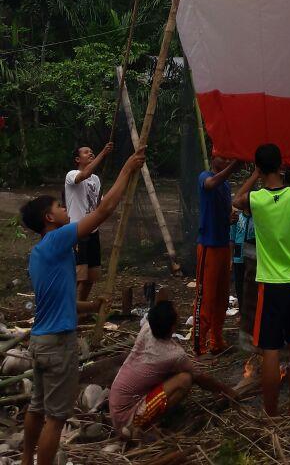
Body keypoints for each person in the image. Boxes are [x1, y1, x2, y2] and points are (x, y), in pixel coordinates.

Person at [19, 149, 146, 465]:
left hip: (39, 341)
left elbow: (59, 301)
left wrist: (92, 305)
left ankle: (25, 459)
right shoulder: (59, 239)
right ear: (50, 218)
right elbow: (104, 209)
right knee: (57, 418)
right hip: (59, 343)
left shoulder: (38, 255)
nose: (64, 209)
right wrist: (128, 169)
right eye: (59, 206)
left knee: (36, 406)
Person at [233, 143, 290, 416]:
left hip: (269, 284)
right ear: (281, 164)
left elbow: (237, 199)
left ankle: (271, 413)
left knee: (269, 349)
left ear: (258, 167)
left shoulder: (256, 200)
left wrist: (255, 175)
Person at [109, 300, 237, 437]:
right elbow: (201, 378)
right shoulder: (174, 355)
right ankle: (145, 427)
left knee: (173, 375)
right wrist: (228, 391)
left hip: (116, 404)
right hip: (127, 419)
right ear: (172, 327)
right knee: (184, 379)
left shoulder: (147, 328)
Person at [192, 155, 240, 357]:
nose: (226, 160)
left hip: (223, 246)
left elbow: (224, 212)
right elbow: (211, 183)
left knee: (221, 297)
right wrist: (235, 166)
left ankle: (216, 340)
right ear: (213, 158)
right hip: (208, 246)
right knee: (206, 297)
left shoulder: (226, 185)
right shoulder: (206, 176)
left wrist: (230, 218)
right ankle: (199, 342)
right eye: (223, 156)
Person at [65, 142, 113, 300]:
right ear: (78, 159)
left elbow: (99, 203)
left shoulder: (96, 179)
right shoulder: (71, 175)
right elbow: (83, 176)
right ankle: (67, 307)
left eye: (92, 151)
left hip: (93, 231)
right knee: (78, 275)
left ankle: (80, 306)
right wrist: (103, 154)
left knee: (91, 275)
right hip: (77, 231)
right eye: (86, 152)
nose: (91, 153)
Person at [230, 207, 254, 315]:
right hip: (238, 258)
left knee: (252, 286)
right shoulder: (237, 217)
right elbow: (232, 238)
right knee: (240, 286)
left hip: (252, 258)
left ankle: (251, 313)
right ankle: (243, 313)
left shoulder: (257, 217)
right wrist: (230, 259)